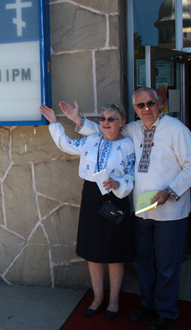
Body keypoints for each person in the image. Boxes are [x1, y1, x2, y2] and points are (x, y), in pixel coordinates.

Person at [60, 87, 191, 330]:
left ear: (159, 103)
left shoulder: (177, 130)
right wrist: (78, 119)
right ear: (135, 110)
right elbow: (106, 130)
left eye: (150, 103)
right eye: (140, 106)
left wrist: (170, 191)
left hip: (170, 210)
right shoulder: (133, 130)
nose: (146, 109)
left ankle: (166, 312)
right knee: (144, 261)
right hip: (141, 207)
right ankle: (148, 303)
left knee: (167, 266)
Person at [40, 102, 135, 320]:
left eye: (111, 119)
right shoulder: (92, 139)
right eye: (103, 119)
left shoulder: (129, 145)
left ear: (122, 122)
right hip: (92, 197)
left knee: (114, 252)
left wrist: (119, 183)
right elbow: (67, 144)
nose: (106, 123)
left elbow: (132, 174)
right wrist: (55, 123)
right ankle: (98, 297)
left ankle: (114, 300)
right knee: (93, 250)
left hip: (115, 198)